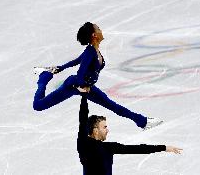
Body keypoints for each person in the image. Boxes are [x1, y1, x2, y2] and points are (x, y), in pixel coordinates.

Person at [33, 22, 162, 130]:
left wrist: (61, 68)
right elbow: (80, 73)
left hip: (86, 85)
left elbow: (77, 61)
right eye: (98, 29)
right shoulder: (90, 52)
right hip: (73, 85)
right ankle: (43, 79)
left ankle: (142, 122)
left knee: (112, 106)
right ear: (94, 35)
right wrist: (80, 86)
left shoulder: (93, 50)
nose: (101, 31)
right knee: (38, 106)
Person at [77, 96, 183, 175]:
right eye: (104, 127)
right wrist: (164, 148)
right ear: (95, 130)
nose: (108, 130)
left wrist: (84, 96)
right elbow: (138, 149)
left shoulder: (84, 145)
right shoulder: (106, 148)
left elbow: (83, 119)